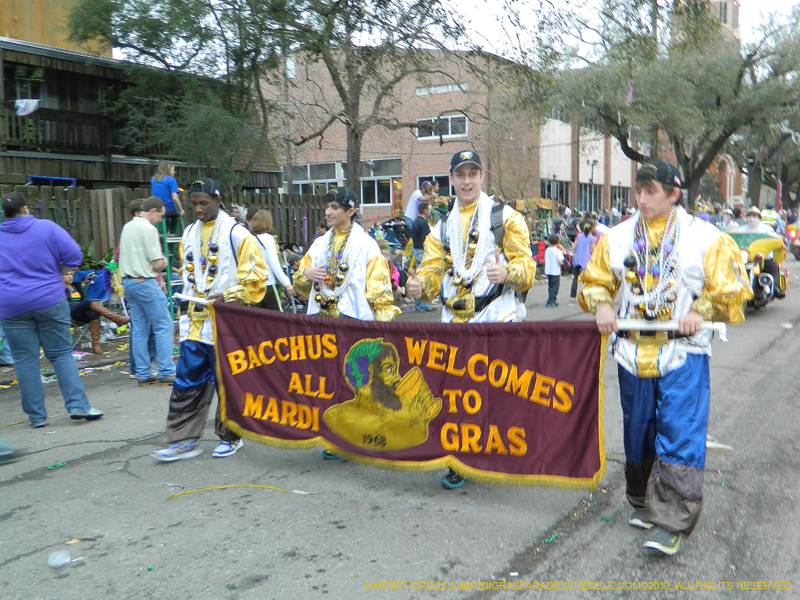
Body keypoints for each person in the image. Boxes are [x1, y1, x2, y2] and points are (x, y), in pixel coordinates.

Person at [578, 160, 753, 556]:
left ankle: (671, 520)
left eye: (650, 191)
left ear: (674, 194)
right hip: (631, 352)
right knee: (637, 432)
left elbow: (731, 290)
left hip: (682, 353)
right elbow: (595, 280)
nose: (641, 199)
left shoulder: (703, 237)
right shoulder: (618, 237)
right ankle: (643, 500)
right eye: (638, 191)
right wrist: (602, 303)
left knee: (679, 431)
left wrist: (701, 310)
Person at [408, 150, 535, 488]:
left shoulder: (504, 217)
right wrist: (420, 287)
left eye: (472, 174)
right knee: (457, 395)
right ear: (451, 179)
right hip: (455, 325)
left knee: (495, 394)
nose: (466, 181)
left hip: (496, 321)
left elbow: (527, 267)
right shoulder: (441, 227)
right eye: (460, 175)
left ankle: (497, 451)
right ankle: (459, 458)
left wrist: (508, 272)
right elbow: (431, 274)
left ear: (481, 177)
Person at [151, 178, 268, 462]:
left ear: (218, 200)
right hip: (194, 324)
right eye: (194, 204)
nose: (199, 209)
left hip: (227, 325)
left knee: (228, 381)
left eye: (204, 203)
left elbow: (257, 278)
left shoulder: (237, 234)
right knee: (186, 382)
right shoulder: (189, 232)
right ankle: (183, 440)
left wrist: (229, 295)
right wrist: (181, 318)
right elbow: (190, 280)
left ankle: (231, 436)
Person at [293, 187, 400, 459]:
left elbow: (380, 292)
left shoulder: (366, 244)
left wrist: (382, 328)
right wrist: (306, 273)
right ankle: (335, 435)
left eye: (334, 207)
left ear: (350, 211)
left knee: (354, 382)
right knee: (327, 381)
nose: (327, 212)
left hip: (353, 323)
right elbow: (300, 286)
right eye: (327, 207)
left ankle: (358, 435)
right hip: (320, 320)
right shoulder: (319, 244)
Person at [0, 192, 104, 428]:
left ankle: (37, 417)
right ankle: (78, 406)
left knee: (25, 360)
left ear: (4, 214)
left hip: (11, 305)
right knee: (60, 354)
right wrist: (59, 271)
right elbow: (75, 255)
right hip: (48, 298)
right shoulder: (46, 227)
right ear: (26, 209)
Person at [119, 196, 176, 387]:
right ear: (153, 211)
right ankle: (167, 371)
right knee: (164, 325)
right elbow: (157, 264)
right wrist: (165, 260)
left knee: (139, 329)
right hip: (145, 282)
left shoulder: (128, 226)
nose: (160, 220)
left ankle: (143, 373)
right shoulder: (149, 229)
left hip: (128, 282)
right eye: (160, 215)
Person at [63, 269, 130, 354]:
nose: (70, 276)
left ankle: (96, 345)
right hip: (68, 313)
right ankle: (117, 318)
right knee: (87, 302)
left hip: (80, 313)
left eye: (71, 274)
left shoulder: (76, 286)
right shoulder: (59, 289)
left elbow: (85, 298)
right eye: (67, 275)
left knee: (93, 313)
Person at [248, 209, 297, 310]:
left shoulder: (248, 239)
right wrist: (286, 283)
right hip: (267, 283)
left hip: (252, 286)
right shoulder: (268, 239)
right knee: (276, 317)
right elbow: (274, 263)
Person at [741, 206, 785, 298]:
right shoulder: (742, 229)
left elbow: (775, 237)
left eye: (754, 216)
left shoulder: (766, 229)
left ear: (759, 217)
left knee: (773, 267)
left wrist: (780, 241)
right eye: (750, 216)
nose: (752, 218)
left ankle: (775, 288)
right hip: (746, 259)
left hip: (763, 258)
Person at [151, 161, 184, 234]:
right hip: (169, 209)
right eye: (173, 169)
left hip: (158, 208)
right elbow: (174, 198)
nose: (174, 172)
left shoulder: (153, 179)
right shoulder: (171, 180)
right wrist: (181, 210)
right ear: (168, 169)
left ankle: (163, 234)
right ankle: (172, 233)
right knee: (177, 214)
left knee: (164, 218)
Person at [411, 203, 433, 312]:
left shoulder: (415, 222)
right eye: (428, 209)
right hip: (422, 252)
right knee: (424, 279)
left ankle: (418, 305)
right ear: (425, 210)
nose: (430, 211)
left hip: (416, 251)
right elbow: (425, 240)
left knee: (418, 278)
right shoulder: (423, 223)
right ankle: (424, 305)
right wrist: (429, 254)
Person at [569, 222, 596, 305]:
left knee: (575, 278)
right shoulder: (592, 238)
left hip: (577, 259)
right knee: (587, 279)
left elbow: (573, 247)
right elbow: (592, 250)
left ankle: (572, 296)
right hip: (587, 261)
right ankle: (586, 295)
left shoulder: (579, 236)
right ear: (591, 229)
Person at [544, 234, 564, 308]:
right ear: (558, 242)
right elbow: (560, 261)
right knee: (555, 288)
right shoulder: (558, 251)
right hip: (555, 271)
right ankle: (551, 302)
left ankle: (551, 300)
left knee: (550, 286)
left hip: (548, 270)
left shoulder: (547, 250)